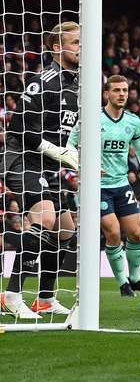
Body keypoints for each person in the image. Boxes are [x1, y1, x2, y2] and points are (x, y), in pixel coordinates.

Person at [1, 22, 81, 319]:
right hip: (22, 158)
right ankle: (11, 295)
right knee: (45, 218)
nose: (81, 48)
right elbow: (18, 126)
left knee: (65, 229)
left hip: (48, 165)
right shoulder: (44, 79)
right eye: (76, 42)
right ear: (57, 47)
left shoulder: (77, 86)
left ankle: (45, 299)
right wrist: (56, 151)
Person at [69, 75, 140, 297]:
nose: (121, 94)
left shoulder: (133, 121)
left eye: (124, 90)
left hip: (122, 185)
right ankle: (123, 283)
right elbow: (70, 145)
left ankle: (136, 279)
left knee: (136, 233)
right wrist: (85, 167)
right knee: (113, 233)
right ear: (106, 94)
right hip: (97, 187)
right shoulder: (91, 119)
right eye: (116, 90)